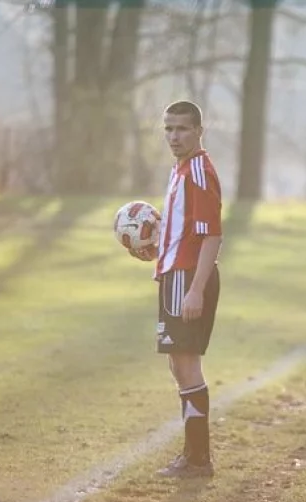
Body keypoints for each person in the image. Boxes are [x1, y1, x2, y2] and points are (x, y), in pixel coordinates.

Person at [130, 100, 222, 479]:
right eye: (168, 128)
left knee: (186, 365)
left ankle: (198, 459)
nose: (174, 136)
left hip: (188, 278)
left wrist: (196, 289)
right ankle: (193, 455)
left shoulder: (198, 170)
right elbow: (185, 230)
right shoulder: (180, 169)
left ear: (199, 131)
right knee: (178, 365)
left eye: (182, 128)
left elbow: (212, 235)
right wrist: (155, 248)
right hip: (174, 274)